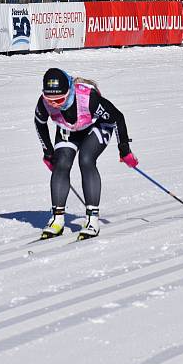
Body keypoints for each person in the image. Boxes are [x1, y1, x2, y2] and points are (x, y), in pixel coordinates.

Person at [34, 68, 138, 240]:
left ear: (69, 91)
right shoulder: (44, 103)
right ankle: (57, 219)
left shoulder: (89, 99)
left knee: (86, 160)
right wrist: (48, 152)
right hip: (70, 129)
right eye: (49, 99)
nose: (54, 104)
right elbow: (39, 123)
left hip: (97, 125)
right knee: (61, 164)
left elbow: (117, 117)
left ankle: (92, 219)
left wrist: (124, 149)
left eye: (59, 99)